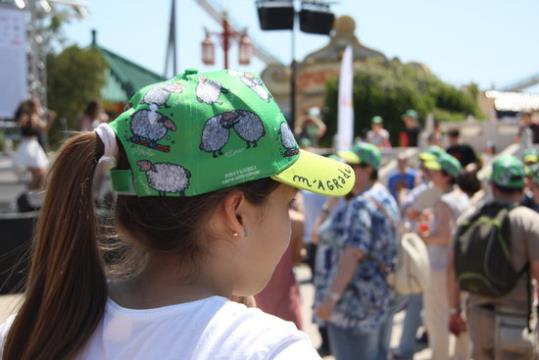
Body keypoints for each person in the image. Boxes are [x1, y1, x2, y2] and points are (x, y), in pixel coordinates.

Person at [0, 69, 357, 359]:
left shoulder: (27, 333)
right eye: (287, 204)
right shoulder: (269, 350)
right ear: (236, 214)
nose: (292, 221)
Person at [448, 155, 539, 360]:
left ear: (492, 185)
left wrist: (454, 310)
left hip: (478, 317)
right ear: (524, 184)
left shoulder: (468, 219)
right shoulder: (530, 221)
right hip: (516, 318)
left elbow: (451, 269)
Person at [314, 142, 399, 360]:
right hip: (380, 298)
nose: (345, 170)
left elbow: (353, 253)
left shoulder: (361, 204)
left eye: (351, 166)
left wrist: (331, 299)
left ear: (368, 169)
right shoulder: (386, 198)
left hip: (353, 304)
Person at [419, 152, 471, 360]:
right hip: (462, 267)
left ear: (447, 175)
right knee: (460, 319)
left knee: (437, 320)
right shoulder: (463, 198)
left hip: (441, 268)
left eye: (435, 171)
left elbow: (445, 235)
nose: (430, 174)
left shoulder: (444, 201)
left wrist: (423, 237)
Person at [255, 202, 305, 330]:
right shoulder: (297, 221)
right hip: (285, 293)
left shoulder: (248, 222)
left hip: (256, 297)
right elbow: (297, 258)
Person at [12, 99, 56, 191]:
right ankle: (27, 197)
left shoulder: (35, 117)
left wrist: (50, 119)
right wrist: (34, 116)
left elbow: (44, 128)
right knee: (39, 174)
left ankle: (29, 196)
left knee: (41, 176)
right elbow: (21, 122)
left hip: (34, 146)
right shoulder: (26, 116)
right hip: (28, 146)